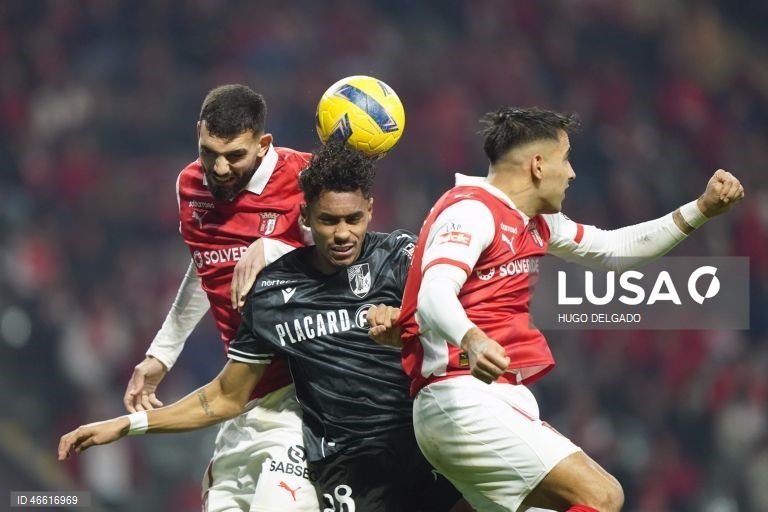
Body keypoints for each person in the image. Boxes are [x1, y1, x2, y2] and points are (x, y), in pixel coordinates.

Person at [60, 141, 465, 512]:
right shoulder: (272, 292)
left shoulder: (396, 255)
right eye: (328, 221)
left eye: (354, 219)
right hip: (345, 470)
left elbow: (455, 305)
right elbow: (224, 396)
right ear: (304, 215)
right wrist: (126, 425)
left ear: (371, 211)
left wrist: (408, 321)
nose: (343, 233)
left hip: (422, 442)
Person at [391, 107, 744, 512]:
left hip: (494, 401)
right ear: (538, 165)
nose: (572, 172)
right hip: (459, 398)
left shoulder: (537, 220)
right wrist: (472, 337)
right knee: (603, 495)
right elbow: (434, 292)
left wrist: (700, 209)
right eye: (566, 158)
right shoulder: (472, 211)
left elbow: (615, 250)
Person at [122, 84, 318, 511]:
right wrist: (163, 352)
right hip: (243, 396)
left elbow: (349, 258)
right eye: (210, 152)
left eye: (236, 156)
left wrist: (274, 248)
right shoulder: (190, 185)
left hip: (307, 391)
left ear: (263, 144)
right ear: (199, 133)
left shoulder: (306, 177)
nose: (221, 168)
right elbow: (207, 262)